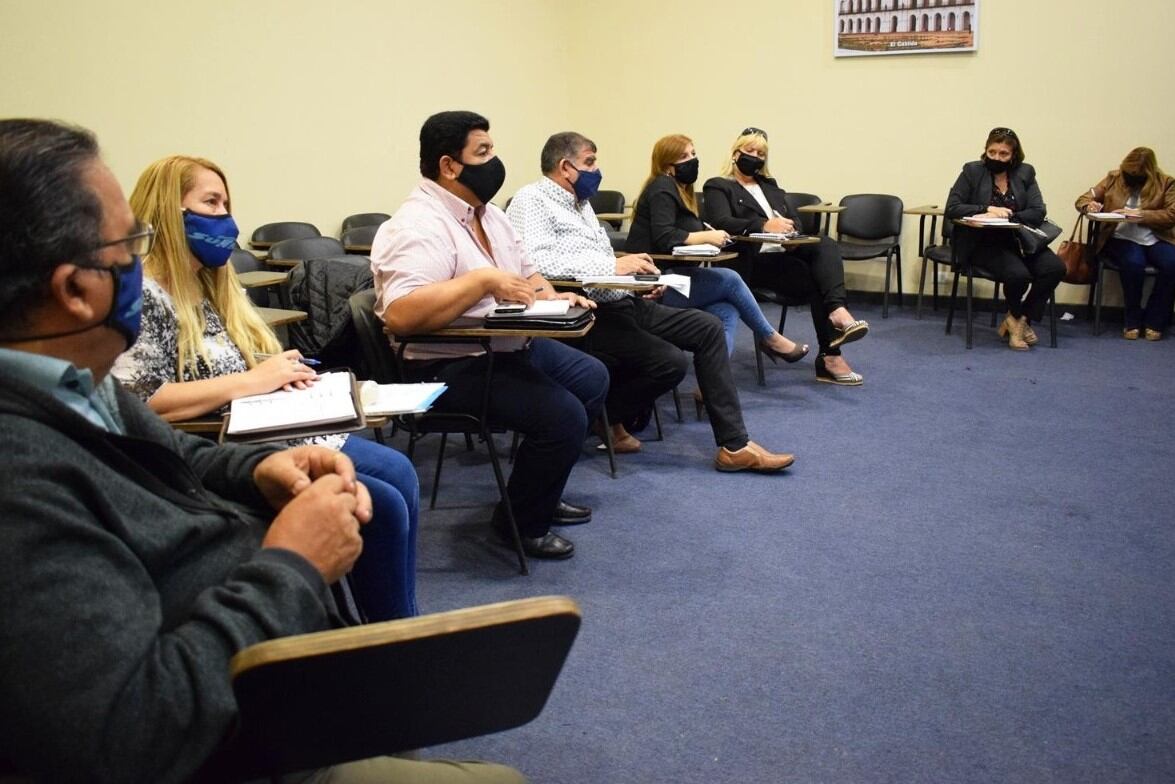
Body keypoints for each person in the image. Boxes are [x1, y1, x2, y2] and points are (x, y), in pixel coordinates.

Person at [0, 119, 525, 784]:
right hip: (231, 736)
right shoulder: (16, 477)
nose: (144, 258)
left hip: (269, 661)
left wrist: (258, 468)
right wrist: (294, 564)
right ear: (77, 289)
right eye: (129, 243)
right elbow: (135, 737)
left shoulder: (79, 383)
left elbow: (175, 458)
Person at [112, 154, 419, 622]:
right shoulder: (148, 293)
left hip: (259, 423)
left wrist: (272, 366)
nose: (225, 218)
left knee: (398, 472)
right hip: (212, 449)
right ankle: (391, 636)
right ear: (167, 213)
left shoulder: (204, 285)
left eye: (226, 203)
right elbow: (139, 399)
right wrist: (254, 379)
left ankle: (396, 623)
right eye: (210, 203)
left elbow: (210, 365)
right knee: (384, 504)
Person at [370, 111, 609, 561]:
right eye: (483, 152)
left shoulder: (491, 216)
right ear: (448, 165)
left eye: (492, 150)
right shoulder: (414, 225)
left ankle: (536, 488)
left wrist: (555, 299)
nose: (494, 162)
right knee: (563, 417)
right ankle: (518, 524)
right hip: (444, 364)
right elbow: (401, 314)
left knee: (591, 377)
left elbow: (526, 273)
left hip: (503, 346)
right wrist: (479, 282)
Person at [506, 131, 795, 472]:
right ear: (566, 167)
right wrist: (613, 266)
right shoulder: (532, 200)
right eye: (590, 162)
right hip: (586, 311)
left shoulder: (581, 206)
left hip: (622, 300)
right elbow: (534, 265)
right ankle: (601, 416)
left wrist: (637, 281)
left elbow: (595, 260)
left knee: (709, 326)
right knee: (670, 362)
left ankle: (733, 444)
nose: (597, 170)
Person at [623, 133, 809, 367]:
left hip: (673, 277)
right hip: (653, 285)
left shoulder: (680, 190)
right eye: (684, 156)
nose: (692, 160)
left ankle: (710, 384)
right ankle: (771, 338)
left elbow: (679, 231)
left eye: (693, 153)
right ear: (668, 166)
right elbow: (665, 237)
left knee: (727, 310)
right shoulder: (662, 186)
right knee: (730, 279)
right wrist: (706, 235)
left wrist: (705, 235)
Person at [703, 128, 869, 385]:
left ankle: (836, 311)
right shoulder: (719, 185)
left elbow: (795, 223)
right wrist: (763, 226)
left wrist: (792, 234)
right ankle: (831, 356)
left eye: (761, 153)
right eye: (750, 151)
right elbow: (720, 220)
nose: (755, 157)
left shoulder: (771, 187)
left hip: (782, 256)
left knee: (825, 247)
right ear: (736, 154)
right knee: (818, 280)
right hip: (751, 261)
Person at [945, 127, 1066, 351]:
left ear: (1014, 156)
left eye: (1003, 154)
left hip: (1020, 238)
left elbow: (1038, 211)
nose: (997, 158)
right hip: (983, 241)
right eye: (992, 152)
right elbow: (952, 208)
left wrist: (1009, 214)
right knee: (1018, 275)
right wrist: (986, 208)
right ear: (986, 151)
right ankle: (1018, 321)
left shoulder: (1025, 173)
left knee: (1055, 268)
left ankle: (1018, 319)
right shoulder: (972, 171)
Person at [1075, 146, 1175, 340]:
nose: (1131, 178)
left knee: (1172, 264)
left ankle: (1156, 320)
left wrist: (1140, 215)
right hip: (1120, 237)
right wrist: (1090, 204)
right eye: (1129, 173)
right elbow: (1083, 198)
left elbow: (1172, 214)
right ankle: (1132, 319)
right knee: (1133, 264)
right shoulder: (1114, 178)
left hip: (1155, 237)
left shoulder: (1166, 183)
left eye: (1136, 175)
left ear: (1149, 172)